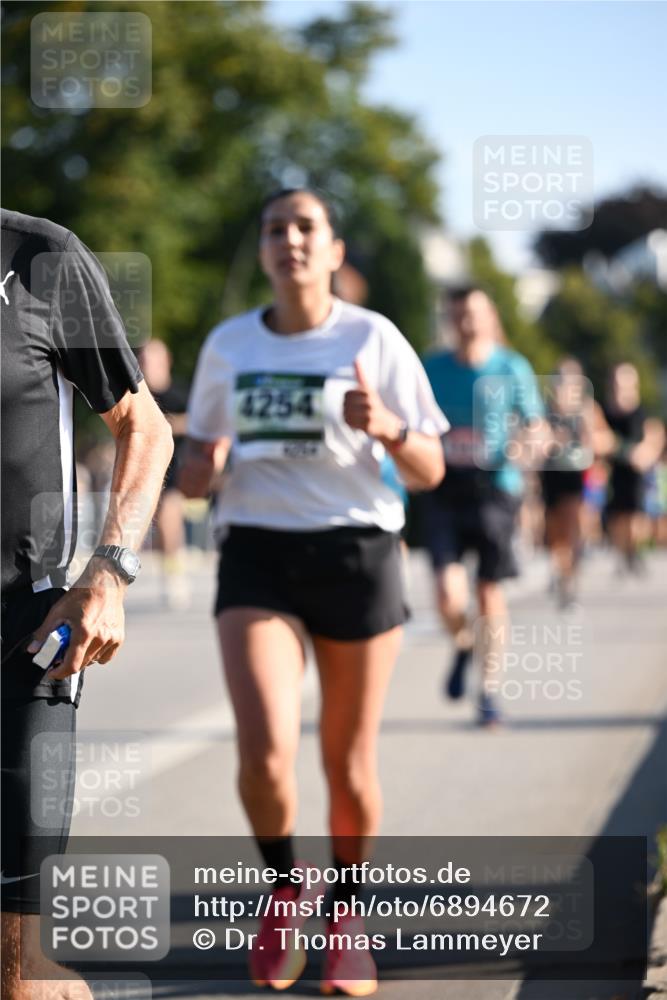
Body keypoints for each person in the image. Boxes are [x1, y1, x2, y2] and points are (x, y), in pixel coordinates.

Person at [179, 188, 448, 995]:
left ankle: (348, 914)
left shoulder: (373, 337)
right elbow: (196, 472)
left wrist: (387, 427)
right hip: (256, 551)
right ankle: (285, 887)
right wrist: (203, 468)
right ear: (262, 250)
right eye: (274, 229)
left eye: (306, 228)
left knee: (347, 765)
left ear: (333, 250)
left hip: (355, 549)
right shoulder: (228, 344)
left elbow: (431, 469)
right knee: (263, 753)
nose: (289, 240)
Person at [1, 209, 173, 1000]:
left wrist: (108, 573)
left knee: (17, 966)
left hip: (24, 641)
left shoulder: (42, 259)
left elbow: (144, 426)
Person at [420, 285, 546, 726]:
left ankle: (489, 691)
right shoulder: (431, 367)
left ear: (490, 316)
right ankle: (463, 643)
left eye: (473, 313)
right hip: (444, 488)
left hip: (495, 489)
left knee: (489, 592)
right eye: (457, 315)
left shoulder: (512, 368)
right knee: (445, 595)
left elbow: (537, 428)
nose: (466, 323)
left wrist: (524, 445)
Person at [540, 358, 608, 608]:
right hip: (550, 475)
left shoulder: (587, 410)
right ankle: (560, 571)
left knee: (573, 526)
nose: (563, 386)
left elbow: (604, 440)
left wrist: (588, 439)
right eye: (559, 380)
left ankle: (569, 579)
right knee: (554, 531)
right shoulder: (545, 410)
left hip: (577, 476)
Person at [136, 338, 191, 608]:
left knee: (170, 518)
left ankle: (175, 575)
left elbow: (199, 421)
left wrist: (169, 424)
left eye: (154, 359)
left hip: (177, 466)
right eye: (143, 360)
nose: (148, 365)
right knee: (155, 527)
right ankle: (170, 568)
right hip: (146, 467)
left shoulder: (180, 393)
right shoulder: (136, 394)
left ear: (166, 362)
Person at [602, 363, 665, 574]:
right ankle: (623, 552)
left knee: (637, 512)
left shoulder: (642, 410)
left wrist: (647, 452)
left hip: (638, 470)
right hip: (616, 469)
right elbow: (602, 438)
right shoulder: (607, 410)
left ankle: (634, 550)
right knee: (618, 514)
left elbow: (654, 433)